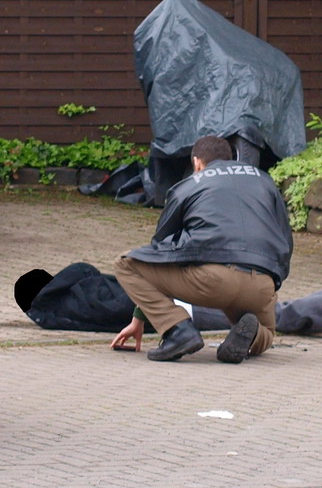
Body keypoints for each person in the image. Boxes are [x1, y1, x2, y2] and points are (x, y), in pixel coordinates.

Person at [111, 135, 292, 363]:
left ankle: (178, 331)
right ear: (231, 158)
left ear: (196, 162)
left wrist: (139, 318)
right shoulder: (265, 181)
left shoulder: (187, 187)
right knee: (266, 330)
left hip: (212, 281)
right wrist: (272, 284)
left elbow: (159, 251)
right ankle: (253, 333)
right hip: (261, 285)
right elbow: (285, 239)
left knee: (125, 263)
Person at [14, 264, 322, 344]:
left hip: (186, 307)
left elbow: (123, 306)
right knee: (279, 309)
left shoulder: (71, 304)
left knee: (279, 316)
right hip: (185, 296)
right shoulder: (84, 280)